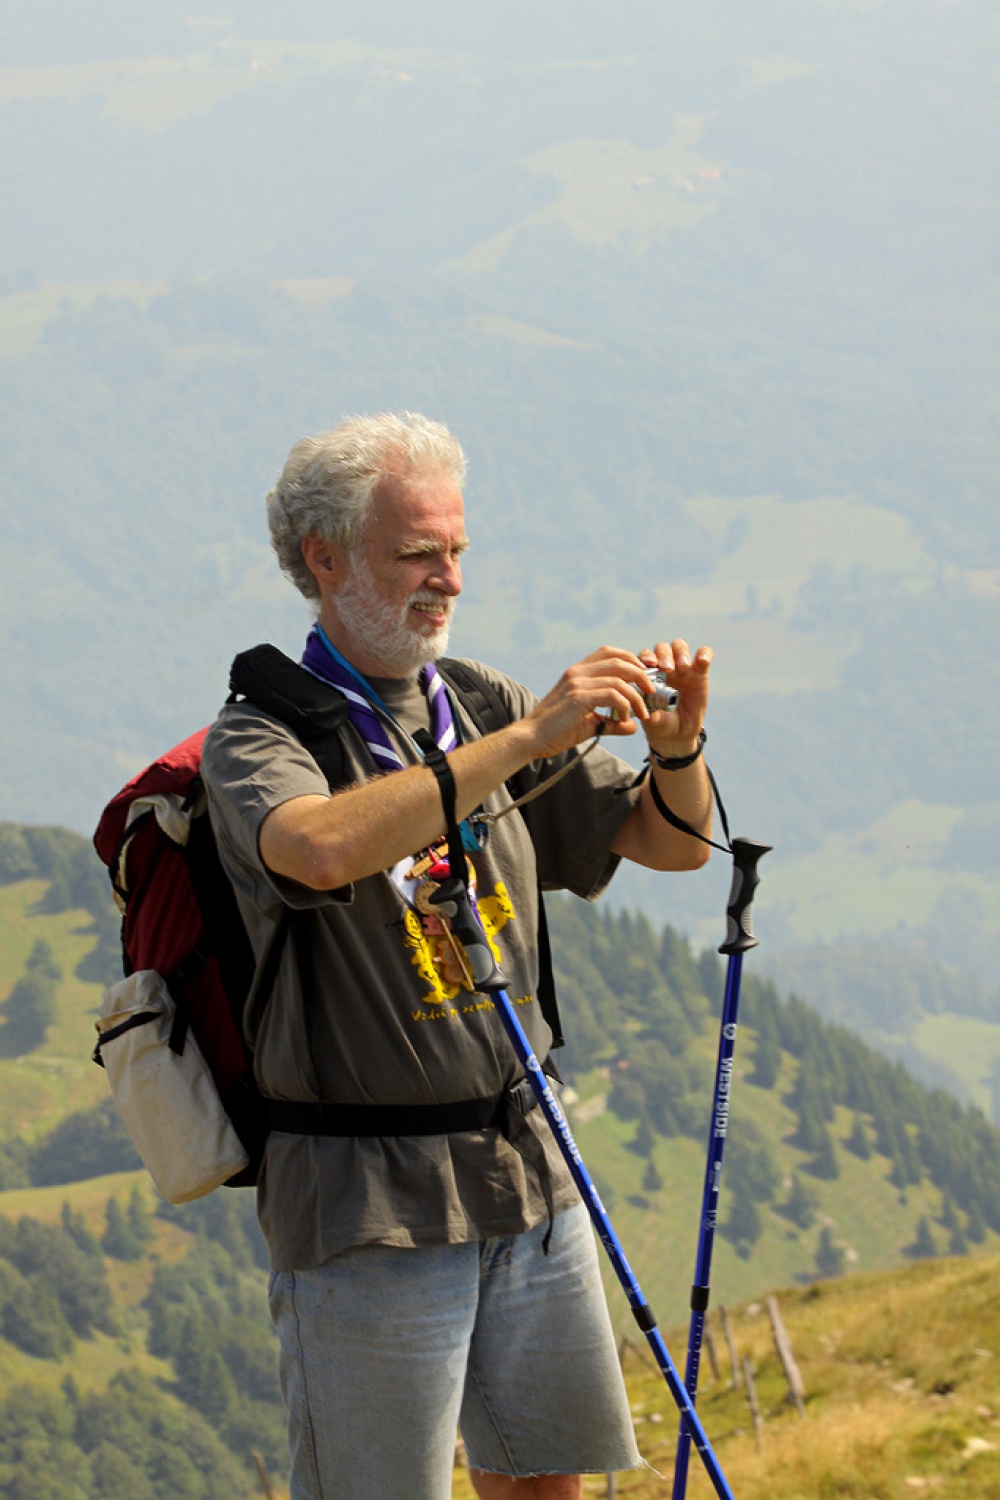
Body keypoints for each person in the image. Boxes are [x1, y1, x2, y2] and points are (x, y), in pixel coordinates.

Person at [201, 411, 714, 1500]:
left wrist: (679, 750)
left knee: (544, 1483)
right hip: (365, 1197)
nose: (449, 581)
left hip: (525, 1166)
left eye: (457, 551)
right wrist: (530, 742)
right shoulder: (262, 737)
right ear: (323, 559)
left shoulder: (474, 699)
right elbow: (319, 848)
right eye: (418, 554)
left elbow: (666, 846)